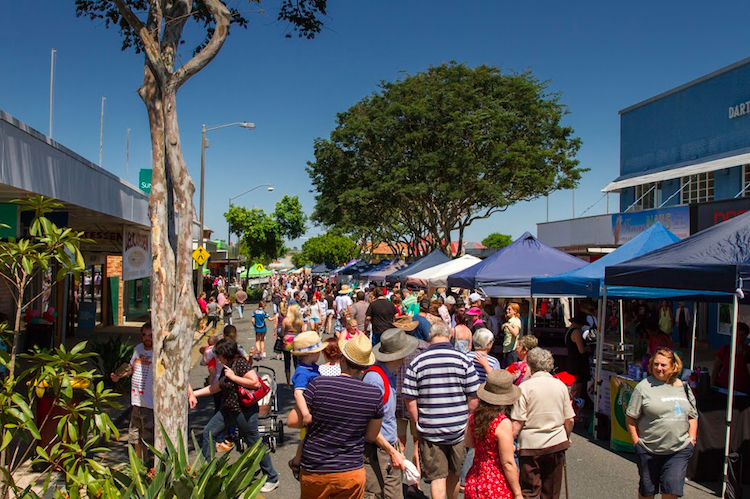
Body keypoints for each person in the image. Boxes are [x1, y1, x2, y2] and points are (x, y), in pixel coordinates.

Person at [287, 333, 384, 499]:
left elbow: (292, 422)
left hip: (316, 468)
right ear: (364, 366)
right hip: (351, 469)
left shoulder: (318, 384)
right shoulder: (374, 394)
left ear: (343, 360)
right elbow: (371, 435)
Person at [190, 338, 280, 493]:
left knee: (255, 444)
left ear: (226, 354)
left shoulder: (240, 364)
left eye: (219, 355)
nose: (217, 358)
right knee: (208, 432)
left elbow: (255, 383)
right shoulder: (227, 366)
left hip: (243, 411)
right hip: (228, 410)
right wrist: (193, 394)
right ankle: (209, 473)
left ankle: (272, 477)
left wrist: (233, 377)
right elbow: (215, 388)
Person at [403, 322, 480, 499]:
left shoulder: (417, 362)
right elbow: (474, 396)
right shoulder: (463, 360)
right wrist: (466, 417)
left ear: (430, 337)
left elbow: (410, 399)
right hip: (458, 429)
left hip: (429, 429)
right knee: (454, 474)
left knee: (437, 478)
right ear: (449, 336)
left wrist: (417, 422)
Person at [626, 348, 698, 499]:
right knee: (647, 491)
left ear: (673, 367)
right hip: (649, 449)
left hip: (678, 449)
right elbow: (631, 418)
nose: (659, 368)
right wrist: (636, 442)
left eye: (663, 365)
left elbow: (692, 416)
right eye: (656, 364)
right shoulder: (643, 387)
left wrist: (692, 439)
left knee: (671, 490)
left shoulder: (683, 387)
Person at [511, 348, 575, 499]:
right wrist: (566, 436)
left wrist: (507, 441)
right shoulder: (560, 386)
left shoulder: (524, 387)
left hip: (530, 445)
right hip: (556, 442)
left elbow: (518, 421)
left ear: (530, 366)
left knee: (529, 491)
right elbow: (570, 419)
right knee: (551, 492)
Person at [363, 328, 419, 499]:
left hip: (386, 446)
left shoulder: (387, 375)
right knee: (378, 494)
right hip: (378, 449)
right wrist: (392, 451)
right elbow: (368, 423)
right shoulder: (376, 379)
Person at [463, 370, 524, 499]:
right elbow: (507, 463)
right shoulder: (502, 422)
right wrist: (518, 493)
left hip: (476, 477)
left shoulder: (474, 417)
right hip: (496, 480)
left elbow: (468, 442)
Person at [110, 322, 154, 465]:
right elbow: (131, 368)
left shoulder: (159, 352)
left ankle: (149, 465)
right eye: (144, 335)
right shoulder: (138, 349)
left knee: (149, 437)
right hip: (137, 401)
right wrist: (120, 375)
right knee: (135, 435)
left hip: (150, 403)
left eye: (150, 335)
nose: (147, 338)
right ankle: (138, 465)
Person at [288, 331, 326, 481]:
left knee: (309, 437)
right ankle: (297, 462)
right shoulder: (303, 373)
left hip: (314, 407)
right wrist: (305, 413)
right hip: (308, 410)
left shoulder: (310, 367)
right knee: (306, 438)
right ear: (311, 354)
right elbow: (298, 393)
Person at [712, 322, 750, 393]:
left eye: (742, 335)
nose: (739, 338)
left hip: (743, 389)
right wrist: (712, 385)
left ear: (746, 336)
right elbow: (716, 368)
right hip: (724, 387)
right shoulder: (725, 349)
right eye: (737, 335)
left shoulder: (748, 351)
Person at [565, 312, 591, 401]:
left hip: (572, 361)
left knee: (575, 386)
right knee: (576, 387)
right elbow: (581, 350)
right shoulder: (576, 332)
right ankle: (574, 405)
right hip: (578, 363)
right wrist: (587, 348)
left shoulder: (569, 331)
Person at [282, 304, 305, 385]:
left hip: (287, 341)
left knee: (287, 361)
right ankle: (297, 381)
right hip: (296, 341)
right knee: (297, 362)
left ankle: (288, 383)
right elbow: (303, 332)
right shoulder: (300, 321)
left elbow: (282, 332)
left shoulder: (286, 320)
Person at [501, 303, 523, 367]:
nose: (507, 311)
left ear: (515, 311)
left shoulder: (516, 321)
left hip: (512, 349)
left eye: (509, 309)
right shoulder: (509, 321)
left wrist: (507, 325)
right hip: (507, 348)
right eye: (507, 309)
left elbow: (515, 333)